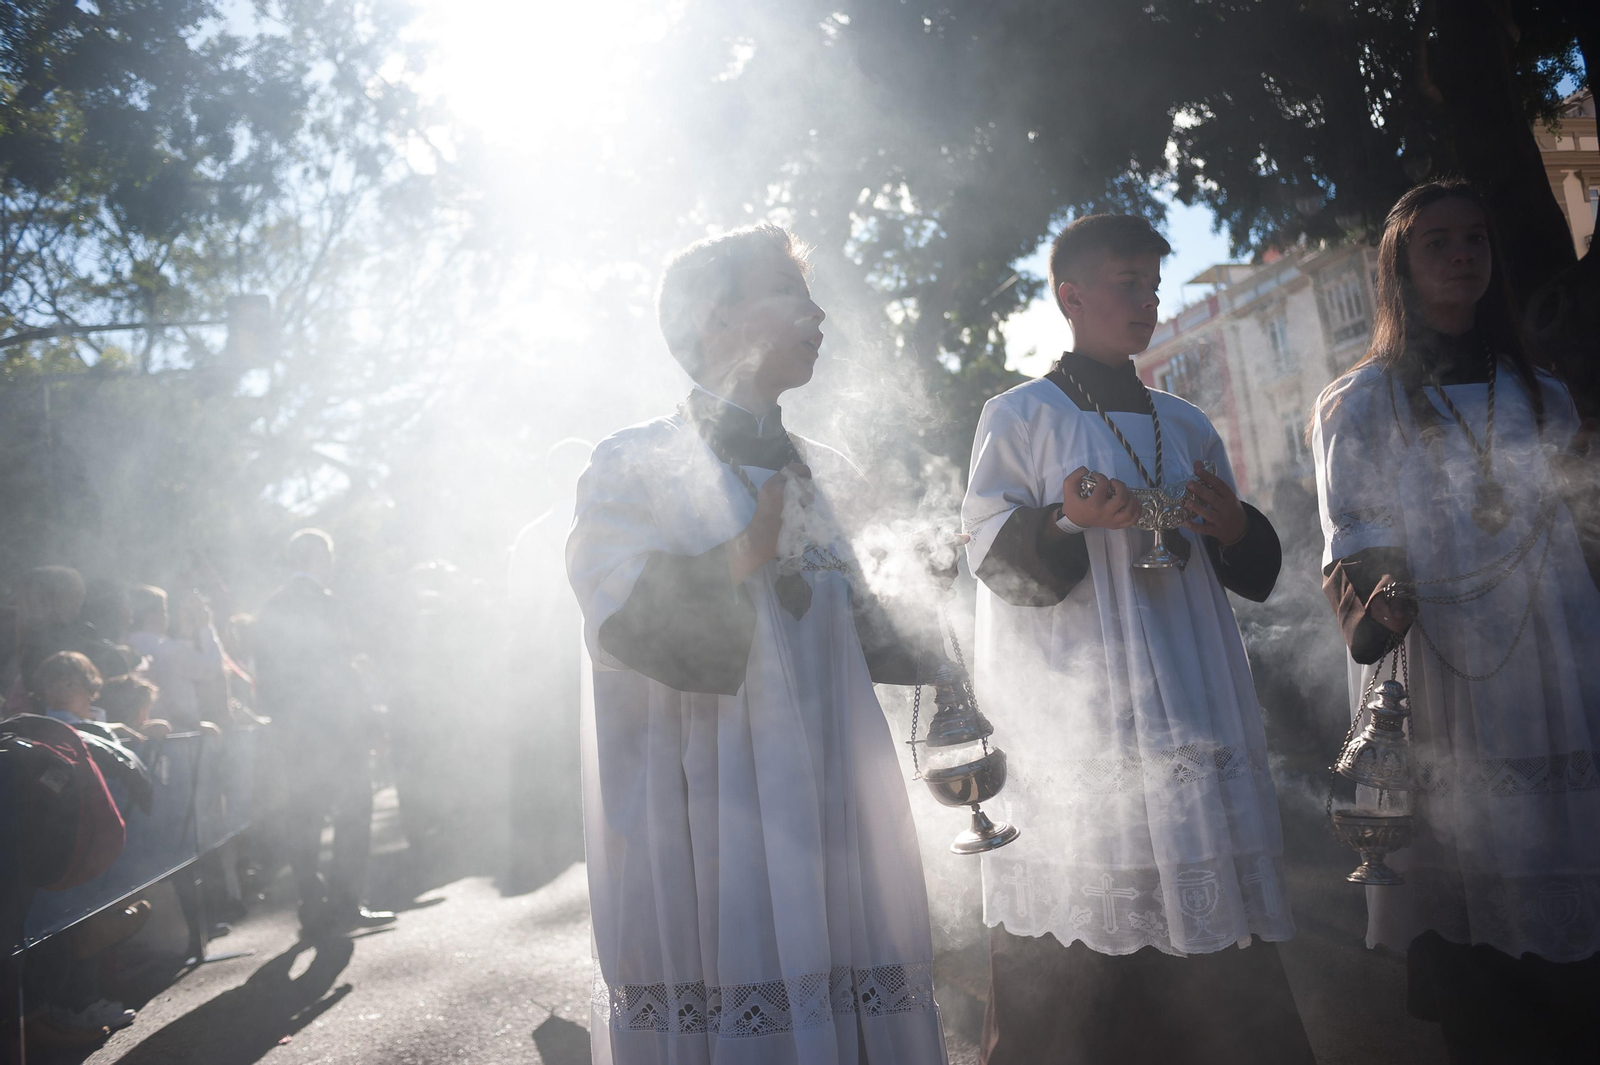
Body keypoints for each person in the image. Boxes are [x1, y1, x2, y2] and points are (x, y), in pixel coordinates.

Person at [567, 224, 948, 1064]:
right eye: (789, 290)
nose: (819, 313)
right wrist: (744, 552)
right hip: (709, 816)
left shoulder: (832, 470)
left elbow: (871, 632)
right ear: (717, 318)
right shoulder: (634, 462)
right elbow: (617, 622)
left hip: (836, 802)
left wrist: (934, 597)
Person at [961, 214, 1312, 1064]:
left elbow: (1248, 565)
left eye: (1154, 286)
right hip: (1083, 718)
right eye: (1128, 284)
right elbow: (995, 566)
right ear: (1071, 296)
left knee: (1216, 962)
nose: (1147, 301)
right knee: (1081, 982)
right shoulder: (1022, 415)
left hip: (1189, 701)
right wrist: (1066, 519)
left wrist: (1235, 526)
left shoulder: (1184, 423)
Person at [1311, 180, 1600, 1063]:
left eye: (1476, 237)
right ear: (1398, 266)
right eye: (1436, 241)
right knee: (1472, 944)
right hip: (1440, 673)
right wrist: (1380, 599)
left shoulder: (1543, 392)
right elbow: (1351, 542)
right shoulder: (1361, 402)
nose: (1463, 253)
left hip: (1554, 662)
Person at [254, 528, 393, 933]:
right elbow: (338, 670)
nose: (333, 565)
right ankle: (346, 903)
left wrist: (284, 725)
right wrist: (368, 719)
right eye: (329, 557)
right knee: (354, 810)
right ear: (317, 557)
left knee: (305, 815)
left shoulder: (271, 606)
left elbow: (267, 678)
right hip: (337, 727)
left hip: (297, 731)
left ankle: (311, 904)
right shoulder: (325, 602)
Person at [125, 585, 225, 732]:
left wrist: (185, 633)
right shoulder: (166, 648)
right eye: (164, 611)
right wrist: (205, 626)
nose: (167, 617)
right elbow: (212, 668)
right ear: (150, 616)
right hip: (177, 733)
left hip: (147, 730)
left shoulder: (128, 643)